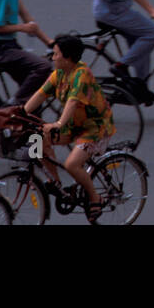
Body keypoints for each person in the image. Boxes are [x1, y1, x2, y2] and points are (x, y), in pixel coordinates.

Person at [26, 35, 115, 220]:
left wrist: (58, 124)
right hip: (74, 125)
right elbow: (41, 94)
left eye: (56, 54)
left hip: (95, 128)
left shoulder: (81, 74)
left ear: (67, 57)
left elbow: (73, 102)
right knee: (39, 139)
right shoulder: (59, 73)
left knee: (72, 165)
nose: (52, 58)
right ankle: (55, 181)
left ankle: (95, 197)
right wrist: (20, 113)